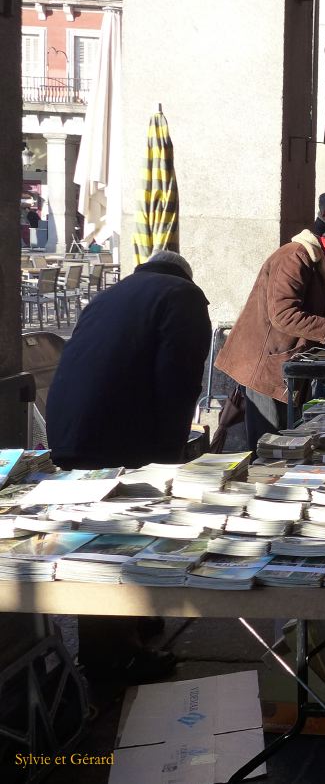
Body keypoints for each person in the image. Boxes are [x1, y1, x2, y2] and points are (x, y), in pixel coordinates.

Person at [46, 250, 212, 682]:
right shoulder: (183, 297)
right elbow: (179, 377)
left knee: (98, 533)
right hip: (117, 432)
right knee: (114, 539)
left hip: (72, 426)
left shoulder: (111, 294)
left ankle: (131, 621)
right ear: (184, 274)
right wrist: (170, 453)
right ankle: (114, 656)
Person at [216, 227, 325, 451]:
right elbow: (284, 316)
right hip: (267, 365)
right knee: (271, 445)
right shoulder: (293, 257)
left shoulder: (318, 265)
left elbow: (313, 315)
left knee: (286, 442)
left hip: (285, 364)